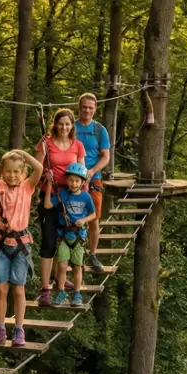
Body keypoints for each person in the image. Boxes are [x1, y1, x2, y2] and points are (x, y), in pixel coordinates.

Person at [0, 142, 43, 347]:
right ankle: (0, 329)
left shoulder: (27, 187)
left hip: (21, 245)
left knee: (19, 290)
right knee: (1, 289)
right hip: (3, 245)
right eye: (8, 172)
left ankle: (19, 329)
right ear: (2, 172)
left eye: (16, 172)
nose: (12, 175)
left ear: (23, 173)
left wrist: (21, 152)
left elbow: (39, 168)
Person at [36, 108, 86, 307]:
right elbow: (36, 168)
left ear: (72, 126)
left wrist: (83, 199)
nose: (64, 127)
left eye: (68, 124)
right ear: (55, 124)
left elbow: (82, 174)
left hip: (70, 199)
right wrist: (43, 176)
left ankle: (59, 277)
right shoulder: (45, 143)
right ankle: (46, 287)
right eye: (61, 123)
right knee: (49, 241)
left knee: (63, 241)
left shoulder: (78, 146)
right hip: (50, 196)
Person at [47, 162, 98, 306]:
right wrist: (50, 185)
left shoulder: (86, 197)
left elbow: (93, 214)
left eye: (77, 181)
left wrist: (84, 220)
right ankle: (61, 292)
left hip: (78, 236)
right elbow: (47, 205)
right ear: (66, 181)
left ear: (82, 182)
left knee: (77, 266)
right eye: (71, 180)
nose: (73, 183)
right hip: (63, 236)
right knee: (62, 266)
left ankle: (77, 293)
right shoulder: (62, 195)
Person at [74, 93, 112, 272]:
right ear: (79, 107)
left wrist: (92, 171)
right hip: (72, 177)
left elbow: (105, 157)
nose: (87, 110)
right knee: (71, 215)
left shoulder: (99, 130)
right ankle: (74, 253)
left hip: (93, 177)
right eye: (84, 107)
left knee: (94, 217)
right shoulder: (70, 127)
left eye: (91, 107)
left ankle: (93, 254)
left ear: (95, 109)